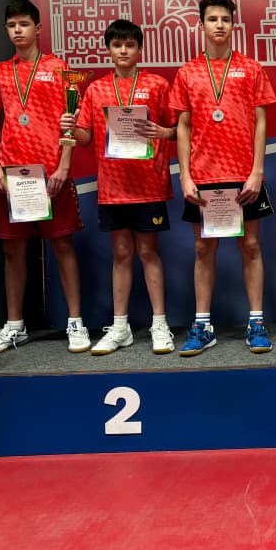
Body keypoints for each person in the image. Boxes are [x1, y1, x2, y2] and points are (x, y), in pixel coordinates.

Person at [61, 19, 177, 355]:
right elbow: (85, 138)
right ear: (108, 50)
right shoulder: (95, 90)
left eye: (129, 45)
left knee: (148, 252)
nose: (123, 51)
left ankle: (159, 324)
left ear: (139, 49)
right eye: (117, 45)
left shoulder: (156, 85)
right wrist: (70, 125)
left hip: (149, 185)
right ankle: (121, 326)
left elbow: (177, 127)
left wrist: (163, 132)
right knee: (122, 253)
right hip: (112, 188)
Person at [171, 0, 276, 354]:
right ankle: (202, 326)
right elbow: (183, 126)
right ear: (201, 24)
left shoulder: (250, 68)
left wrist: (257, 171)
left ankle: (256, 322)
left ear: (234, 25)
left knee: (251, 246)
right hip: (204, 175)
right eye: (212, 19)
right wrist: (185, 176)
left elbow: (261, 121)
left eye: (225, 19)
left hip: (243, 174)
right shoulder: (187, 72)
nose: (219, 25)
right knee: (203, 248)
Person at [0, 0, 87, 355]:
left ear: (38, 28)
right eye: (11, 25)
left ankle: (75, 322)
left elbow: (71, 122)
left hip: (52, 173)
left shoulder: (60, 69)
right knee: (13, 250)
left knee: (62, 246)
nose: (17, 30)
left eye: (24, 24)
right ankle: (15, 326)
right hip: (14, 176)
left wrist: (65, 166)